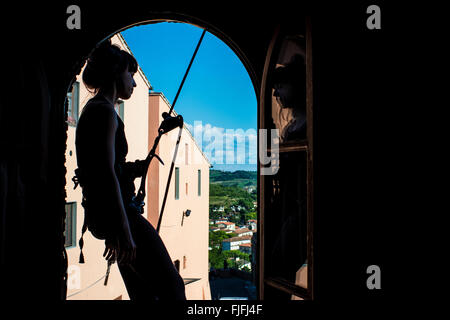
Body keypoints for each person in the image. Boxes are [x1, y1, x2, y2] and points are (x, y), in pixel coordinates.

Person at [74, 39, 186, 300]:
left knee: (143, 293)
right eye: (130, 75)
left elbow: (107, 167)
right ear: (116, 73)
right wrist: (123, 229)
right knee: (172, 288)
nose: (134, 83)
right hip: (121, 217)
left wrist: (137, 168)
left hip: (112, 216)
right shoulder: (104, 112)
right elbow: (106, 174)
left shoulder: (95, 110)